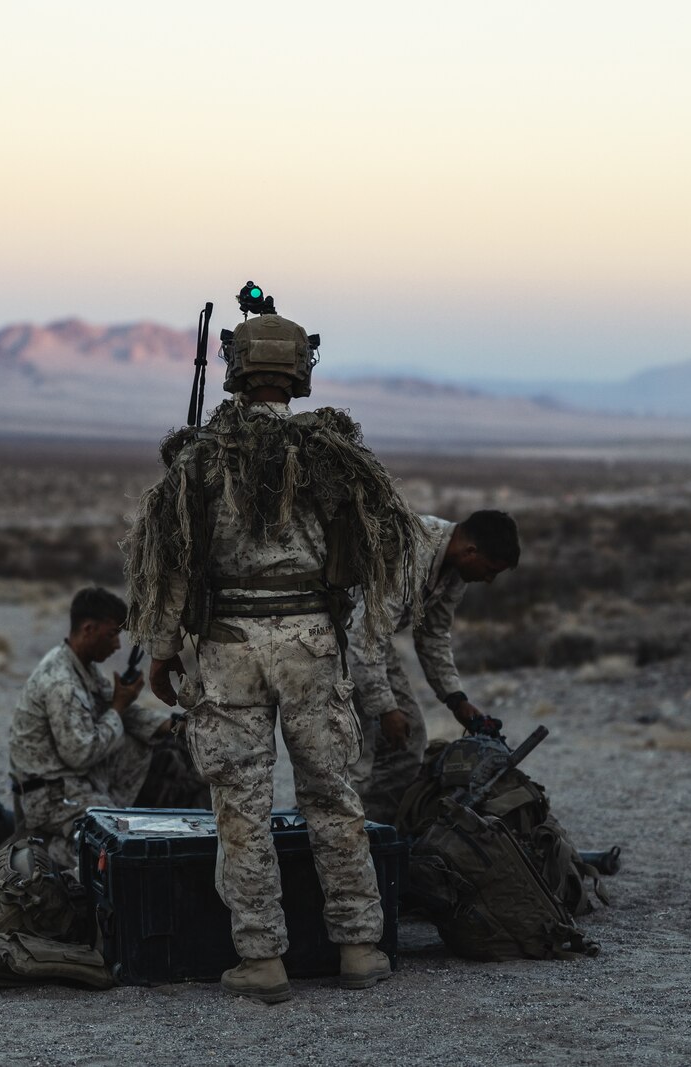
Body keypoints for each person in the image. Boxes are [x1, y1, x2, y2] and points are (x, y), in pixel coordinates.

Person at [123, 298, 427, 1003]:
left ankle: (261, 959)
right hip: (312, 643)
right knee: (333, 794)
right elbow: (379, 555)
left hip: (229, 645)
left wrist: (162, 652)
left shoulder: (201, 460)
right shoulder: (333, 454)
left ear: (234, 369)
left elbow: (170, 564)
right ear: (298, 372)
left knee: (241, 804)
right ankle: (358, 946)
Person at [349, 509, 520, 824]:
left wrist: (456, 699)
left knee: (408, 741)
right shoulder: (413, 551)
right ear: (471, 551)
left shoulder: (454, 569)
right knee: (357, 750)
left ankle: (379, 833)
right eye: (490, 570)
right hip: (334, 638)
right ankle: (334, 837)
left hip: (370, 642)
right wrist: (385, 709)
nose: (489, 580)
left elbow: (433, 635)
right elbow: (363, 636)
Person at [9, 587, 173, 870]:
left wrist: (169, 725)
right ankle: (49, 848)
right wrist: (119, 707)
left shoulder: (78, 665)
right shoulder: (62, 683)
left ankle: (85, 827)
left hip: (71, 780)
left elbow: (115, 707)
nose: (118, 646)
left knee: (150, 746)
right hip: (50, 795)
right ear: (88, 629)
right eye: (112, 635)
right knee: (115, 846)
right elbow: (80, 752)